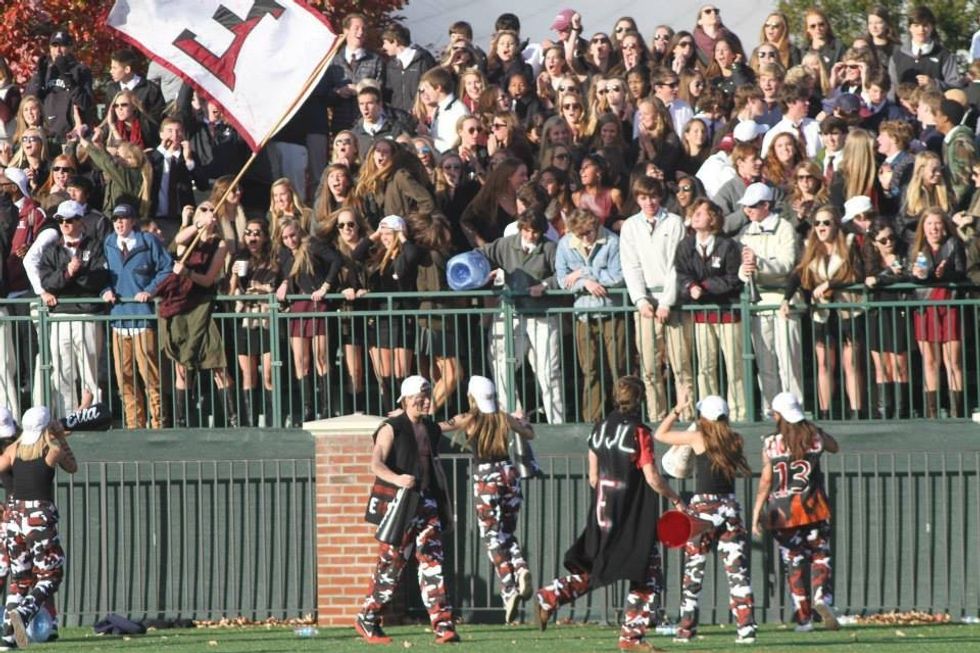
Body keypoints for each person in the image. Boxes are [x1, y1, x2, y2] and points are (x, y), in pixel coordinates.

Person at [534, 376, 684, 652]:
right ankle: (631, 637)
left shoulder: (600, 428)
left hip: (603, 512)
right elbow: (651, 476)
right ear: (639, 400)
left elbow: (593, 477)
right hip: (630, 515)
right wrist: (675, 498)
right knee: (646, 572)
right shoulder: (639, 432)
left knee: (599, 567)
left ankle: (550, 595)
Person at [356, 376, 459, 645]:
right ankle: (367, 618)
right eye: (419, 396)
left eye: (428, 395)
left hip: (427, 504)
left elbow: (456, 424)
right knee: (391, 566)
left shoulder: (430, 427)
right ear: (405, 398)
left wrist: (489, 413)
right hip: (399, 505)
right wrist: (398, 478)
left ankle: (443, 626)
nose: (424, 400)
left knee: (432, 564)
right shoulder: (392, 427)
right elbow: (376, 464)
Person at [654, 394, 757, 645]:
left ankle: (686, 629)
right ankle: (746, 628)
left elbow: (661, 434)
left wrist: (677, 410)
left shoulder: (699, 437)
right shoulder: (736, 439)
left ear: (704, 417)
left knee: (694, 571)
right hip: (730, 508)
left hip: (703, 510)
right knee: (737, 572)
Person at [439, 376, 535, 623]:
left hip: (486, 477)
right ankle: (521, 567)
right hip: (509, 474)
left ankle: (508, 588)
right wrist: (521, 419)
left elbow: (439, 427)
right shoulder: (503, 417)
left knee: (491, 536)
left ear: (472, 396)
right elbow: (529, 433)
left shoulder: (469, 418)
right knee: (507, 533)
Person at [751, 392, 841, 633]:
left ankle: (804, 619)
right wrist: (816, 430)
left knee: (794, 564)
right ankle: (822, 596)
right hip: (814, 507)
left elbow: (766, 481)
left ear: (778, 415)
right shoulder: (815, 436)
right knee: (820, 556)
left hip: (782, 512)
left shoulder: (770, 443)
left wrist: (756, 513)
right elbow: (835, 447)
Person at [0, 405, 77, 651]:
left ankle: (11, 639)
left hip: (14, 518)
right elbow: (72, 466)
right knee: (51, 575)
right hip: (39, 518)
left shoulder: (13, 450)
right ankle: (23, 613)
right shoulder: (51, 450)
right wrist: (61, 437)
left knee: (20, 579)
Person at [479, 210, 565, 424]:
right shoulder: (505, 244)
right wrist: (485, 271)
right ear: (520, 229)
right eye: (526, 230)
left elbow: (563, 273)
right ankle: (511, 416)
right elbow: (480, 254)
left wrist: (545, 285)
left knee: (548, 370)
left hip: (542, 316)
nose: (530, 235)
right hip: (511, 313)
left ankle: (557, 423)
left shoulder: (550, 248)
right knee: (501, 364)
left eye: (535, 232)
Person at [102, 201, 173, 430]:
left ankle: (158, 422)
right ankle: (134, 424)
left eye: (123, 218)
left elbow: (166, 267)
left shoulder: (147, 241)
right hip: (118, 318)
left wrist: (151, 290)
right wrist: (105, 291)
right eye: (115, 219)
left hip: (142, 318)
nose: (119, 222)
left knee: (149, 373)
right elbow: (101, 275)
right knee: (124, 377)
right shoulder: (109, 243)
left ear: (133, 220)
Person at [675, 199, 746, 422]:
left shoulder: (728, 245)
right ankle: (708, 413)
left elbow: (733, 279)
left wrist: (704, 287)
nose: (695, 216)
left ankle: (738, 413)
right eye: (693, 213)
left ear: (713, 218)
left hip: (728, 314)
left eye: (700, 213)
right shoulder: (686, 245)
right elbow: (682, 273)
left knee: (734, 366)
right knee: (705, 366)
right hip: (701, 315)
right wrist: (690, 286)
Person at [37, 200, 108, 419]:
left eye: (70, 220)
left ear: (81, 221)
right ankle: (67, 418)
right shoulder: (51, 250)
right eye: (60, 220)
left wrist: (74, 276)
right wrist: (67, 272)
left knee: (90, 370)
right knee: (61, 372)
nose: (65, 224)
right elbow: (47, 281)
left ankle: (94, 417)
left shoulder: (95, 246)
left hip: (87, 313)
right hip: (59, 315)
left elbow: (99, 278)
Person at [556, 208, 625, 422]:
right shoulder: (565, 244)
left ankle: (624, 416)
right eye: (581, 235)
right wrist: (585, 283)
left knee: (618, 368)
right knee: (590, 369)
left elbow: (617, 277)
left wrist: (585, 273)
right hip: (584, 314)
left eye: (590, 232)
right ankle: (592, 421)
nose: (586, 238)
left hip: (612, 312)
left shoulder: (612, 241)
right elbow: (562, 280)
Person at [24, 29, 94, 141]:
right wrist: (39, 75)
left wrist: (67, 76)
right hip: (46, 135)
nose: (58, 50)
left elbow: (86, 103)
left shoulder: (81, 70)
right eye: (54, 46)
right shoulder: (45, 71)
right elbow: (29, 100)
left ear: (70, 48)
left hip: (72, 136)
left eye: (62, 45)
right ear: (50, 48)